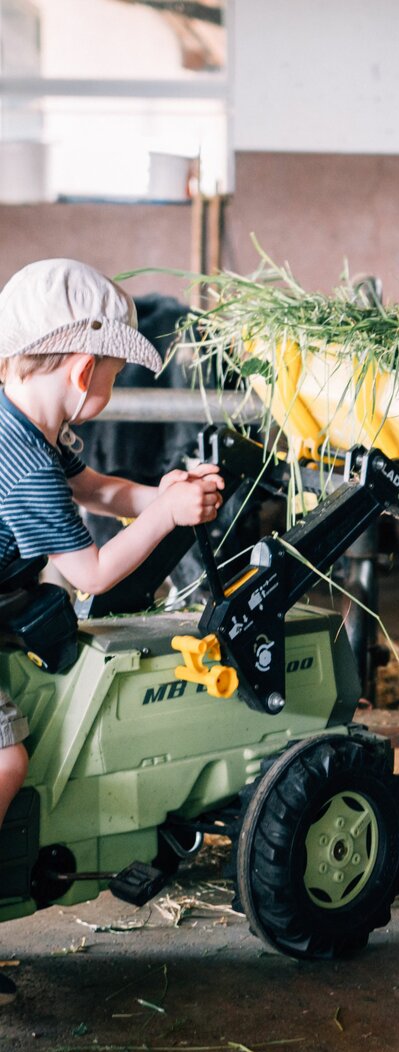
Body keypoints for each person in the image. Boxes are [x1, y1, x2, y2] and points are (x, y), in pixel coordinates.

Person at [0, 258, 224, 1005]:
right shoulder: (19, 457)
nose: (116, 388)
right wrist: (162, 516)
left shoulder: (31, 424)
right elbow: (91, 573)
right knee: (5, 759)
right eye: (118, 374)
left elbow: (92, 490)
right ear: (83, 368)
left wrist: (159, 496)